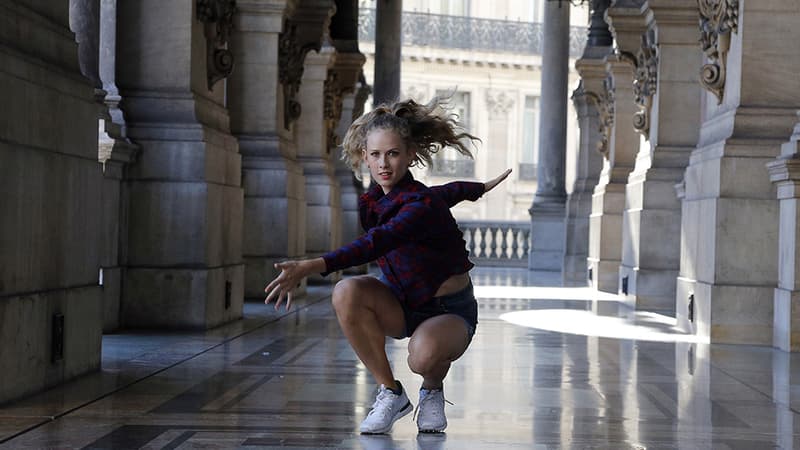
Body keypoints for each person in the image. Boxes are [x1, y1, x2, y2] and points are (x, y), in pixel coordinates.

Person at [264, 97, 511, 434]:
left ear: (410, 156)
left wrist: (311, 265)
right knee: (346, 291)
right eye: (376, 154)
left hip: (449, 312)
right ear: (364, 156)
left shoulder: (419, 205)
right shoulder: (378, 201)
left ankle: (431, 389)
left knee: (420, 358)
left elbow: (379, 241)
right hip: (402, 304)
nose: (384, 163)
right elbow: (446, 192)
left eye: (393, 154)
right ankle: (391, 393)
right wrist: (476, 188)